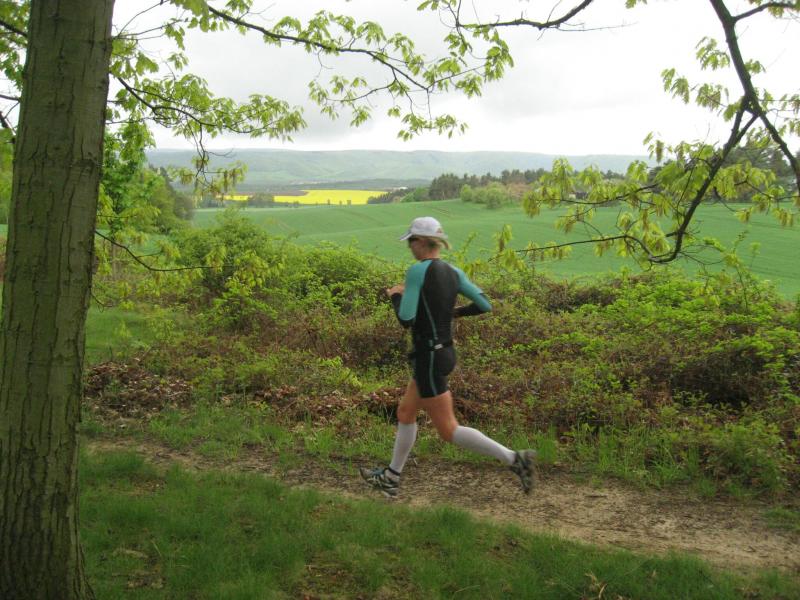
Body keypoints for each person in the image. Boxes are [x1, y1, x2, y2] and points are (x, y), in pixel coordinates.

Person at [360, 216, 536, 498]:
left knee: (448, 429)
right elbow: (484, 305)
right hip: (441, 353)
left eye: (411, 241)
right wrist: (453, 313)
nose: (410, 247)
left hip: (429, 358)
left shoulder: (417, 271)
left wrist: (395, 295)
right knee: (405, 412)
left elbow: (406, 319)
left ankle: (515, 459)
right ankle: (391, 478)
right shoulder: (454, 272)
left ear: (421, 242)